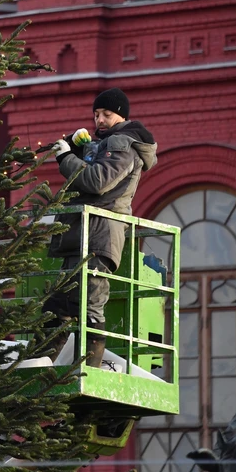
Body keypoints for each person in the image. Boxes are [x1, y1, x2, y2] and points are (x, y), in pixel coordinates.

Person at [45, 88, 158, 367]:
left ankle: (88, 371)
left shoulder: (122, 144)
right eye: (96, 114)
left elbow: (97, 182)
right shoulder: (109, 143)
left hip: (100, 234)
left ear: (121, 115)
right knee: (59, 305)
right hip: (85, 234)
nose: (100, 120)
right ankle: (40, 362)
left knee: (90, 304)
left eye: (106, 114)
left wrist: (66, 159)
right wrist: (77, 150)